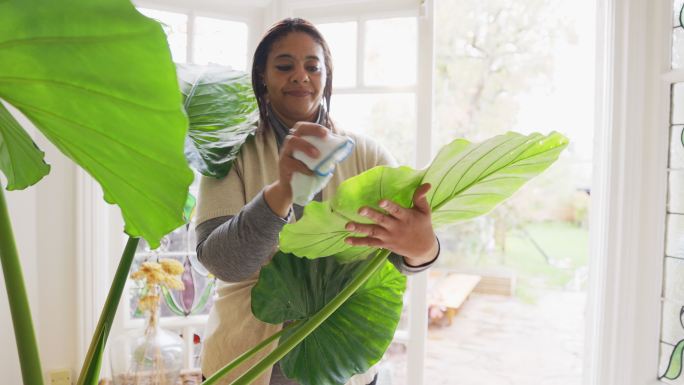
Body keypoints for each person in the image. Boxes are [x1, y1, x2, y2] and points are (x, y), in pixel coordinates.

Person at [195, 18, 440, 385]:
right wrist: (281, 193)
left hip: (342, 357)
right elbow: (223, 263)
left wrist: (423, 250)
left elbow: (401, 256)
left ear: (327, 76)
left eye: (313, 66)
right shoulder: (229, 154)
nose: (300, 76)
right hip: (247, 363)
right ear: (262, 74)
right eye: (284, 66)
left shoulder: (369, 156)